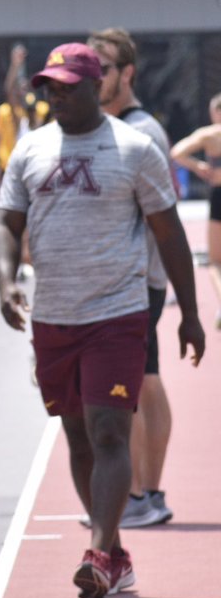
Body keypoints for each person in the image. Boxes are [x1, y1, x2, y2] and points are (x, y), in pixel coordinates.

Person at [0, 42, 204, 598]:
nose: (55, 96)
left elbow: (169, 234)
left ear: (94, 86)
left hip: (117, 312)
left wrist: (191, 314)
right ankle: (113, 554)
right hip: (54, 316)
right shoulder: (31, 150)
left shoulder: (134, 149)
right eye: (49, 88)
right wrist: (6, 281)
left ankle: (99, 550)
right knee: (79, 437)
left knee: (110, 430)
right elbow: (6, 225)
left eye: (66, 86)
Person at [88, 28, 177, 528]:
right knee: (143, 380)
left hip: (140, 278)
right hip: (127, 279)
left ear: (127, 74)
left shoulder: (143, 131)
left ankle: (148, 494)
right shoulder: (112, 126)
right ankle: (144, 493)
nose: (94, 77)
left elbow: (160, 216)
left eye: (103, 68)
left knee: (140, 384)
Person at [169, 92, 221, 330]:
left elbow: (177, 152)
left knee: (215, 262)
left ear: (215, 113)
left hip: (218, 195)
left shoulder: (210, 135)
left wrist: (199, 167)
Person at [0, 43, 51, 169]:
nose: (24, 92)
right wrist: (15, 66)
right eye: (21, 89)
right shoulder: (18, 118)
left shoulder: (42, 112)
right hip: (17, 168)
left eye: (27, 89)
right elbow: (8, 90)